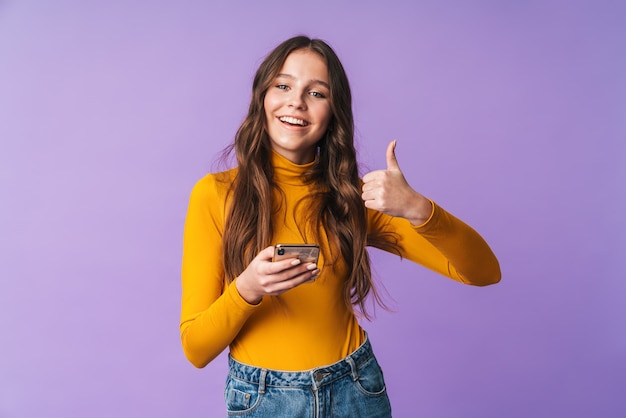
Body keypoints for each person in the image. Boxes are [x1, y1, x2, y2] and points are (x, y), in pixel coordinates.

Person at [180, 35, 501, 417]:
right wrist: (248, 288)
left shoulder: (351, 199)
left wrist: (418, 208)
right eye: (283, 85)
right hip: (264, 400)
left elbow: (484, 272)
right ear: (262, 97)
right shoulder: (215, 195)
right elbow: (196, 350)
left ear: (334, 112)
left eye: (317, 93)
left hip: (355, 390)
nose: (296, 101)